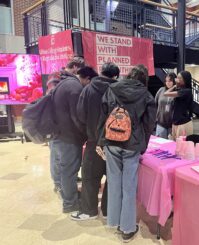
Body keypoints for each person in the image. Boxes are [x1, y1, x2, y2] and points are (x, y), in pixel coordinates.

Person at [98, 64, 156, 242]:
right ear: (144, 79)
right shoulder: (146, 96)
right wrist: (143, 146)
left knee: (114, 183)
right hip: (132, 145)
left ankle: (114, 221)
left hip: (111, 140)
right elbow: (148, 124)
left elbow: (104, 115)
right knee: (129, 187)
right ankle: (128, 228)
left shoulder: (112, 89)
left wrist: (101, 140)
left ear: (128, 75)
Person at [71, 62, 119, 221]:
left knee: (90, 177)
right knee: (113, 178)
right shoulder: (119, 90)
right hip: (115, 143)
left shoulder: (88, 89)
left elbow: (80, 116)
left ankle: (89, 211)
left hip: (93, 141)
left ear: (101, 72)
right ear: (115, 76)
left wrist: (89, 133)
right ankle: (108, 211)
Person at [52, 57, 87, 213]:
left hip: (59, 134)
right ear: (75, 68)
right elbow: (77, 115)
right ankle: (70, 204)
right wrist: (85, 133)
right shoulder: (73, 85)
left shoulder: (60, 82)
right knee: (69, 171)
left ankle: (68, 197)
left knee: (65, 169)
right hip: (69, 137)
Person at [164, 71, 193, 140]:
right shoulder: (180, 89)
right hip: (176, 122)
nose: (177, 80)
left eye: (180, 78)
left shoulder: (187, 91)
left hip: (183, 123)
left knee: (182, 146)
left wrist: (174, 85)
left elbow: (166, 93)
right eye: (177, 77)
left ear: (185, 80)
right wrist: (175, 86)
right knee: (175, 145)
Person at [46, 72, 61, 194]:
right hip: (55, 131)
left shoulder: (51, 91)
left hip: (55, 130)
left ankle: (59, 182)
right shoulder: (52, 92)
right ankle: (57, 183)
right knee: (56, 158)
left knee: (58, 158)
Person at [155, 72, 176, 139]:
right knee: (160, 145)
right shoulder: (161, 90)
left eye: (170, 81)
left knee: (171, 145)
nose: (168, 83)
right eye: (166, 81)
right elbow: (154, 104)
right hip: (160, 122)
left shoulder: (177, 92)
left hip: (173, 124)